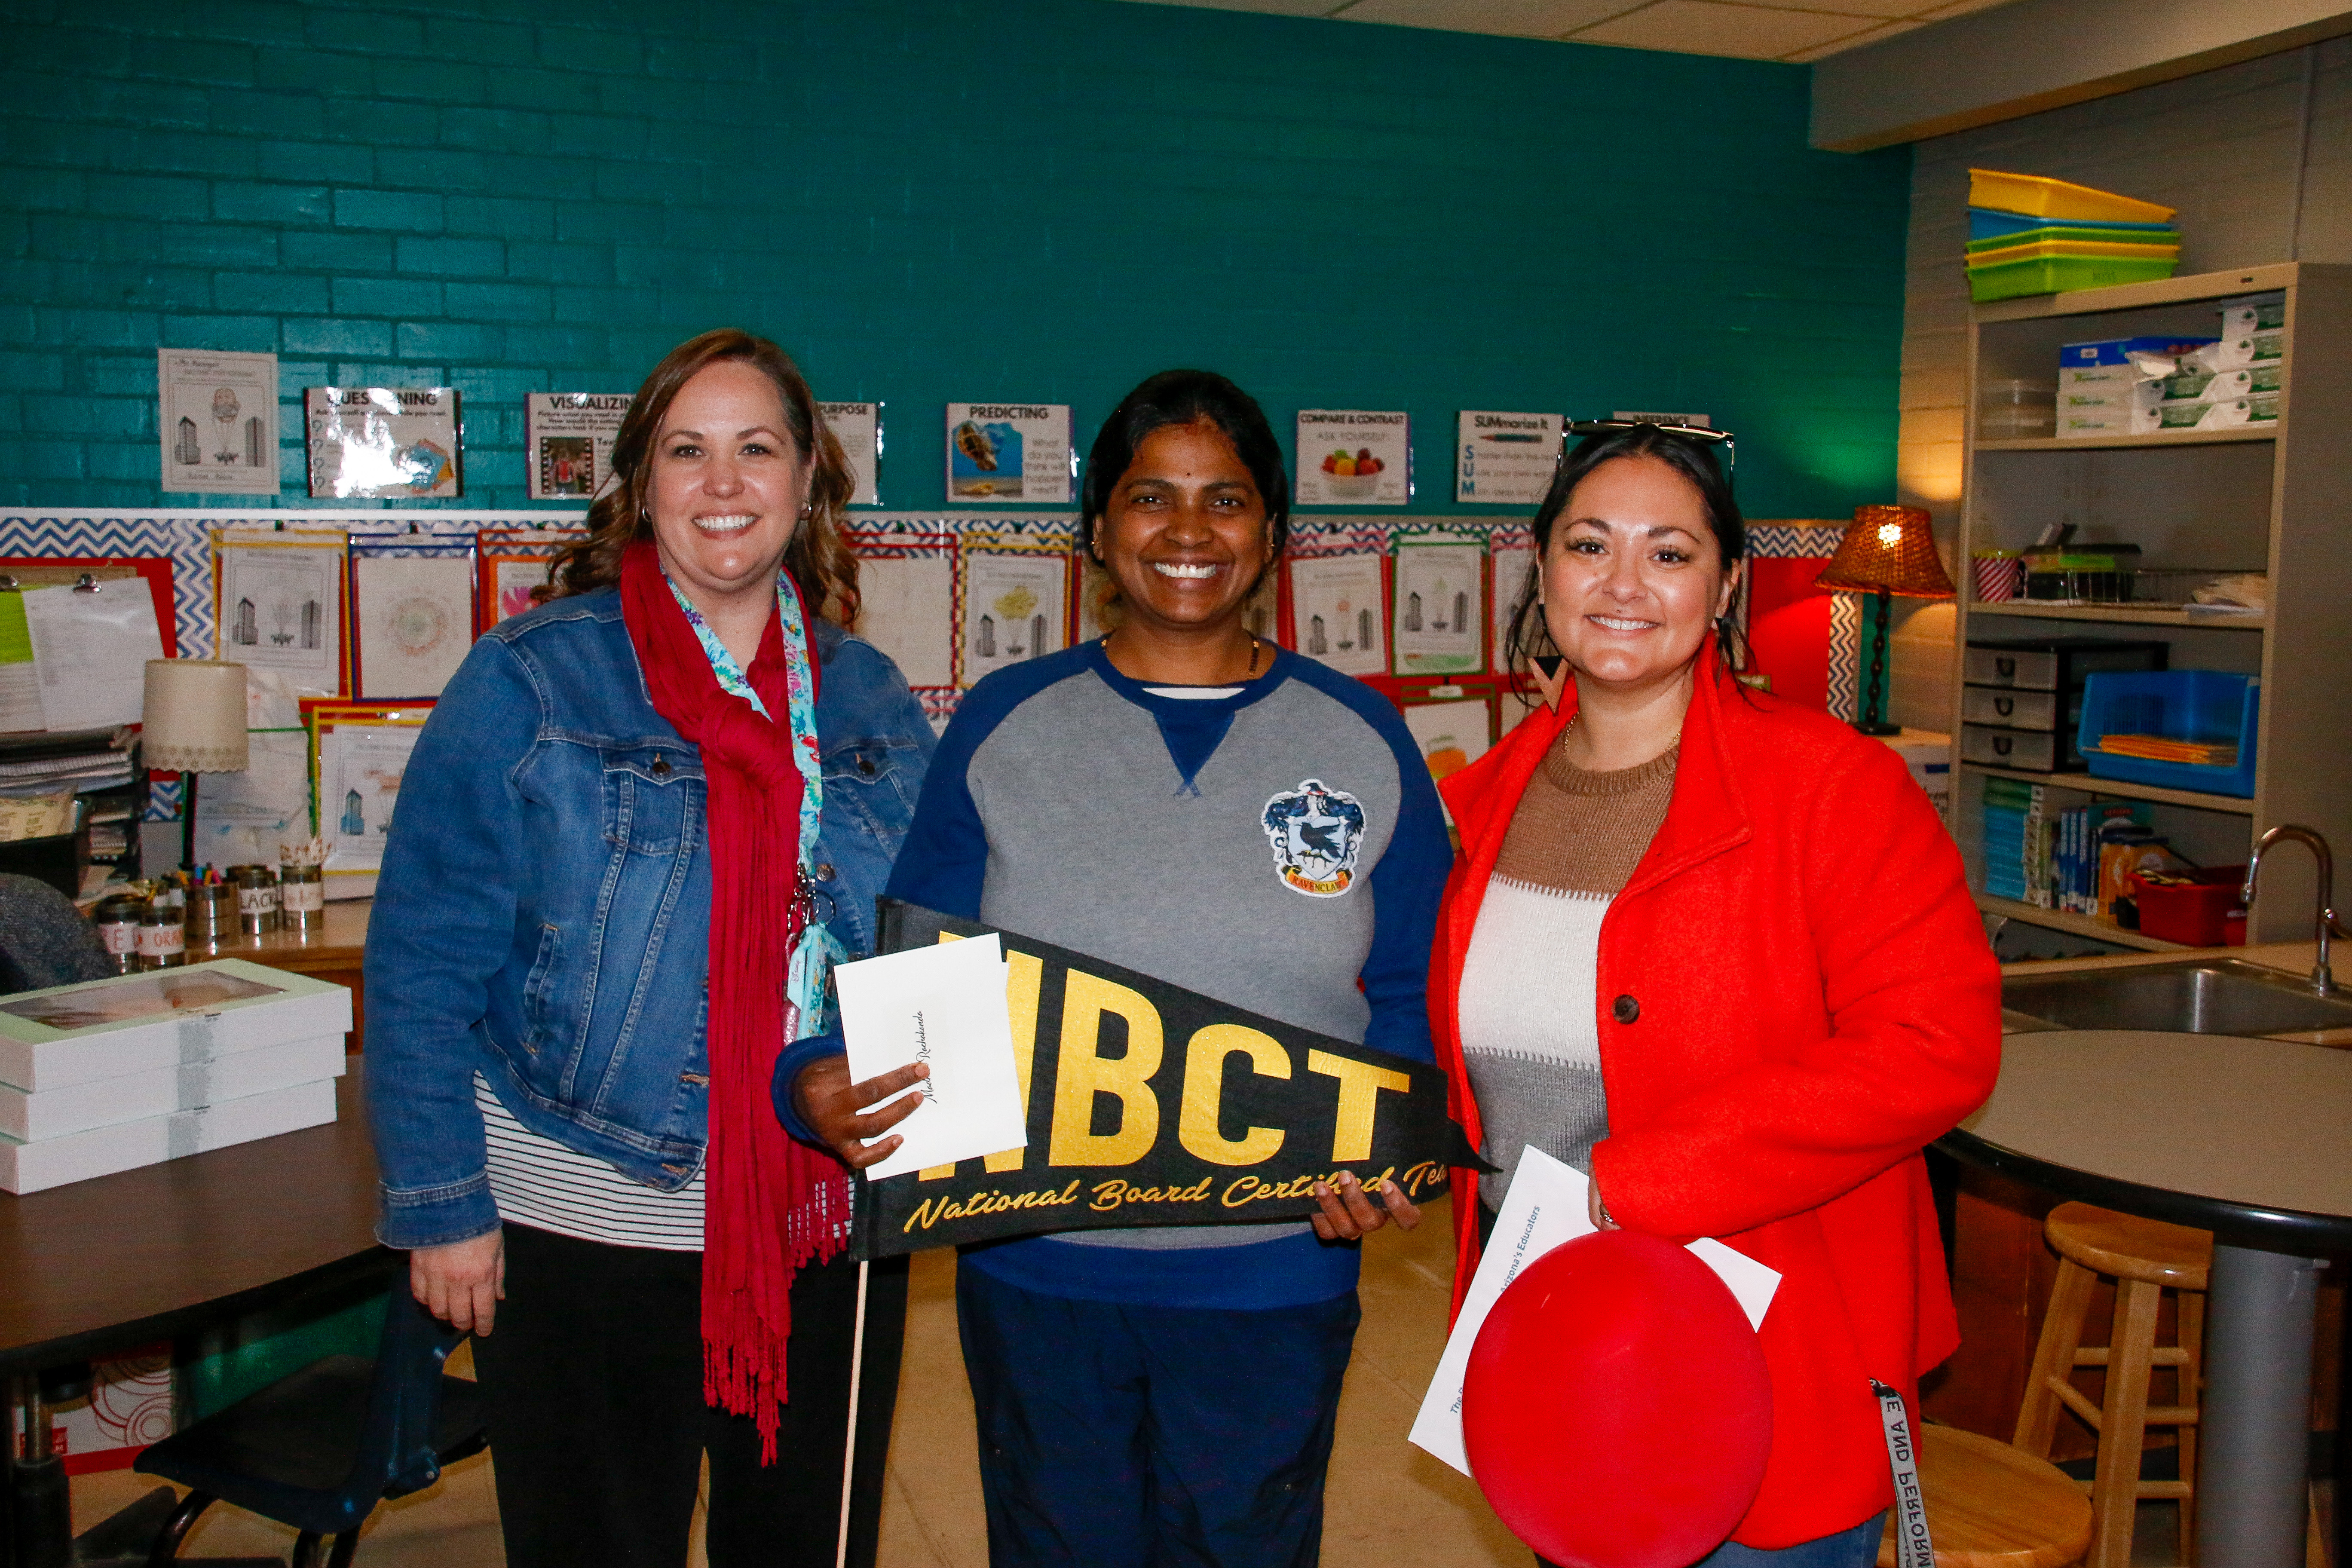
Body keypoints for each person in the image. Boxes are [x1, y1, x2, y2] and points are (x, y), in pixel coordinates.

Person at [779, 368, 1450, 1568]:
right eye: (1151, 496)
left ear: (1273, 533)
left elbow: (1406, 996)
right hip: (1041, 1274)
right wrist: (817, 1075)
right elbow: (923, 962)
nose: (1189, 531)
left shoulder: (1362, 737)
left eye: (1227, 499)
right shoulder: (1008, 722)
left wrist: (1398, 1149)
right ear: (1098, 530)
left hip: (1276, 1277)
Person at [364, 328, 936, 1568]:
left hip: (819, 1223)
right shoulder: (531, 682)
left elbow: (928, 943)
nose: (723, 485)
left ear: (807, 485)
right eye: (688, 451)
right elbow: (420, 960)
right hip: (582, 1225)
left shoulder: (871, 695)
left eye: (757, 450)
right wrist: (442, 1204)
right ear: (642, 484)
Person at [1434, 423, 2002, 1565]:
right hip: (1557, 1337)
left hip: (1772, 1348)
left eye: (1672, 553)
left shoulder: (1836, 789)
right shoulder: (1486, 798)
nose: (1626, 584)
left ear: (1727, 581)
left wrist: (1640, 1179)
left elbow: (1937, 1045)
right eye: (1591, 545)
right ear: (1540, 569)